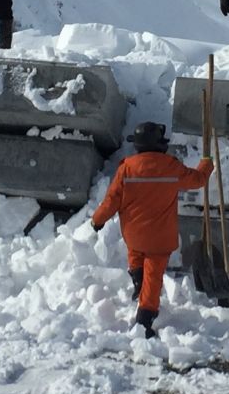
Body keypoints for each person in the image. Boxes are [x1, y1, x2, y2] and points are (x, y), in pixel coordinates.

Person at [91, 121, 213, 339]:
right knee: (153, 276)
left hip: (134, 234)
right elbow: (198, 180)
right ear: (159, 144)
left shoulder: (126, 167)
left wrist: (97, 220)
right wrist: (206, 164)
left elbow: (112, 200)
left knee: (136, 253)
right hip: (160, 237)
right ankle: (145, 317)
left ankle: (137, 280)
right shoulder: (170, 166)